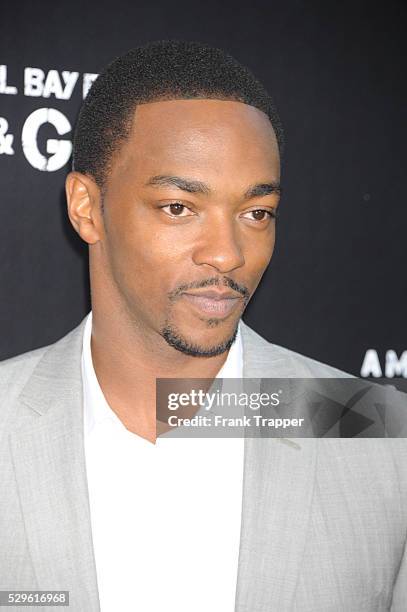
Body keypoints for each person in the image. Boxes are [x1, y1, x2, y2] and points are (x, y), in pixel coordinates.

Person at [0, 40, 406, 612]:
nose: (227, 253)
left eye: (255, 213)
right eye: (178, 208)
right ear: (87, 207)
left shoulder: (381, 435)